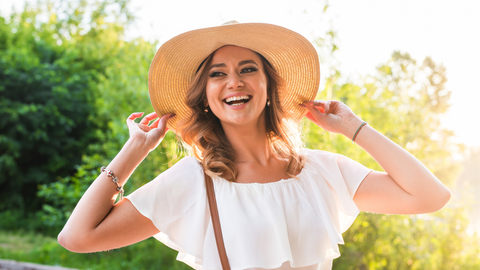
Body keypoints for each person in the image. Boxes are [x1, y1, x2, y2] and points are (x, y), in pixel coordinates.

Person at [58, 22, 451, 270]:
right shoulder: (193, 179)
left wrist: (353, 127)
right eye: (218, 74)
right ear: (206, 97)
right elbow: (78, 238)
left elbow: (429, 196)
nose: (234, 81)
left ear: (268, 89)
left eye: (248, 69)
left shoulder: (322, 170)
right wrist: (135, 151)